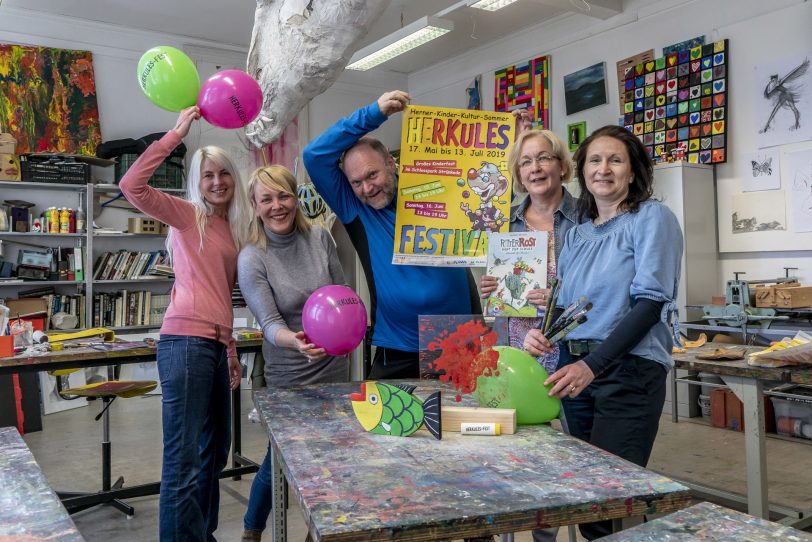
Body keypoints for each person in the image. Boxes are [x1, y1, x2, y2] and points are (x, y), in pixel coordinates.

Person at [523, 125, 683, 540]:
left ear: (633, 172)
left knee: (611, 499)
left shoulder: (651, 218)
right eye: (594, 160)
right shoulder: (578, 234)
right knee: (587, 498)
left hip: (626, 370)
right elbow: (568, 305)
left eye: (615, 160)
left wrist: (592, 366)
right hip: (574, 368)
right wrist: (543, 333)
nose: (603, 169)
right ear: (582, 171)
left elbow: (649, 304)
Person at [119, 106, 251, 541]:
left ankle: (202, 533)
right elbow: (131, 186)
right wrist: (175, 134)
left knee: (214, 455)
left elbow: (222, 297)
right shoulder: (186, 214)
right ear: (197, 180)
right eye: (208, 175)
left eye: (223, 174)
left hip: (214, 347)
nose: (217, 182)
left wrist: (230, 351)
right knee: (183, 461)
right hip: (185, 345)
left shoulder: (231, 229)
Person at [302, 90, 479, 380]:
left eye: (372, 175)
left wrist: (514, 142)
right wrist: (373, 114)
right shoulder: (356, 209)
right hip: (396, 346)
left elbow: (486, 177)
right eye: (356, 182)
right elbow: (314, 155)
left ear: (391, 164)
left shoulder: (437, 191)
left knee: (463, 425)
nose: (367, 189)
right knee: (383, 424)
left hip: (459, 343)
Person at [237, 165, 348, 541]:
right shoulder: (252, 257)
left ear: (295, 197)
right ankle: (253, 529)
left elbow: (343, 296)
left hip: (333, 367)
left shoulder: (319, 237)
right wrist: (297, 341)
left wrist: (344, 337)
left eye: (283, 195)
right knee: (281, 459)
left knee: (332, 457)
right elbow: (268, 323)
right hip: (289, 371)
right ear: (255, 206)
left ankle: (317, 533)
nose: (277, 205)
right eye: (266, 199)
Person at [479, 123, 578, 542]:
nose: (535, 168)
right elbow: (499, 295)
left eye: (543, 158)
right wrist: (490, 290)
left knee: (567, 455)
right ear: (518, 174)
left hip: (568, 346)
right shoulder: (507, 224)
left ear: (561, 165)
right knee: (515, 451)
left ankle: (547, 535)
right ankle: (509, 529)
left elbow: (601, 286)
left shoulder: (586, 216)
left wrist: (559, 295)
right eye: (526, 161)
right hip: (518, 348)